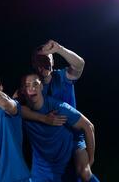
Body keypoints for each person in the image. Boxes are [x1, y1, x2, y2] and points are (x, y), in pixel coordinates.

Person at [31, 40, 99, 181]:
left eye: (47, 59)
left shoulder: (62, 76)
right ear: (34, 64)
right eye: (39, 60)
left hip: (73, 136)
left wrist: (59, 48)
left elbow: (80, 64)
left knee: (84, 172)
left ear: (53, 61)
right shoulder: (32, 87)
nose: (43, 64)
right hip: (51, 141)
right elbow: (12, 105)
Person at [16, 70, 99, 182]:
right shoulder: (21, 109)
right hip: (42, 166)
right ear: (22, 90)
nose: (32, 88)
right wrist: (44, 118)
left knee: (85, 173)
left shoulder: (57, 107)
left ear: (41, 86)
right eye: (27, 85)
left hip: (65, 156)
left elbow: (89, 126)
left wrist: (91, 158)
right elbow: (8, 106)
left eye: (35, 84)